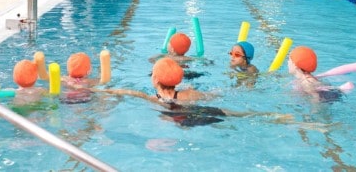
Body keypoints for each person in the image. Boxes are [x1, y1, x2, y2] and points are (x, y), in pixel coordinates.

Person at [96, 57, 291, 127]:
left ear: (154, 79)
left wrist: (108, 90)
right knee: (237, 115)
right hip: (198, 110)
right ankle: (276, 115)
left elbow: (129, 92)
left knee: (169, 121)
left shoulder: (153, 98)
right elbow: (215, 94)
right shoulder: (189, 93)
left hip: (176, 118)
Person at [288, 46, 353, 103]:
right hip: (327, 92)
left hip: (328, 96)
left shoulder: (306, 82)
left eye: (289, 60)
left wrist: (314, 112)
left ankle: (342, 90)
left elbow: (316, 98)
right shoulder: (306, 78)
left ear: (295, 65)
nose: (287, 62)